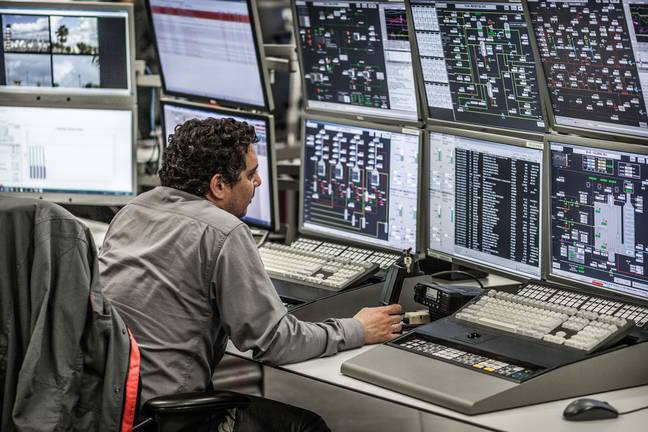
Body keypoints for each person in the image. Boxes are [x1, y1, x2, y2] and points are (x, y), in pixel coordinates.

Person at [98, 118, 402, 431]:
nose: (257, 182)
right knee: (307, 426)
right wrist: (357, 329)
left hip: (110, 408)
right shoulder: (223, 231)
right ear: (218, 185)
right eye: (250, 174)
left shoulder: (131, 212)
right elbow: (277, 343)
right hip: (167, 418)